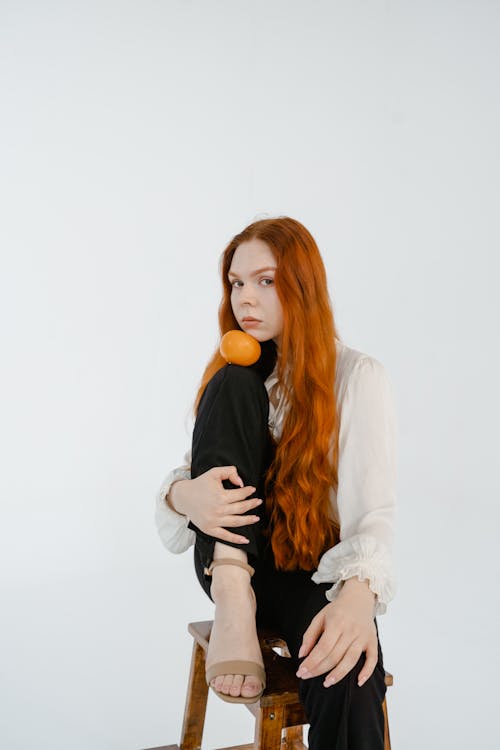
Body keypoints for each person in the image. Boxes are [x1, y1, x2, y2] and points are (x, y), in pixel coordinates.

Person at [155, 216, 397, 750]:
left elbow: (373, 514)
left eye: (265, 281)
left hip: (310, 572)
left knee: (349, 671)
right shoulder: (237, 379)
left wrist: (357, 597)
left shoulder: (357, 376)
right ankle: (232, 587)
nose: (246, 297)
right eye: (237, 282)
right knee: (234, 382)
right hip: (234, 567)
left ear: (301, 286)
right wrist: (182, 495)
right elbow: (197, 476)